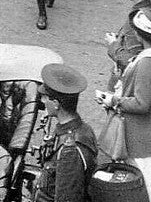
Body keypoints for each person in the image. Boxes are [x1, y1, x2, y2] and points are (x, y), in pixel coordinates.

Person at [96, 8, 151, 202]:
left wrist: (113, 101)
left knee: (138, 181)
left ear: (140, 35)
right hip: (149, 132)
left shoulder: (147, 62)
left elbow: (141, 104)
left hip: (136, 134)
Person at [34, 63, 96, 202]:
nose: (42, 101)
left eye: (45, 97)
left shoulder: (70, 150)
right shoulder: (81, 128)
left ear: (56, 103)